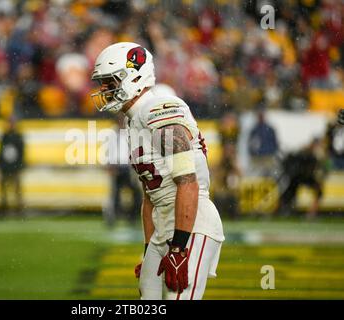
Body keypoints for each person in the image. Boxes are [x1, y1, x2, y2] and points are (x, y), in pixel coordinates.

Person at [91, 42, 224, 300]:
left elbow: (188, 181)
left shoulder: (158, 109)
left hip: (192, 222)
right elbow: (149, 197)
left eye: (110, 82)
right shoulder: (134, 122)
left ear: (133, 77)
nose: (104, 90)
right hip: (165, 224)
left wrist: (179, 249)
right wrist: (148, 248)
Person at [0, 117, 25, 217]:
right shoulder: (4, 136)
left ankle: (19, 211)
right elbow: (0, 153)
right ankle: (4, 210)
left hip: (15, 168)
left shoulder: (18, 136)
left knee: (17, 191)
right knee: (4, 191)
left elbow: (21, 154)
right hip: (5, 168)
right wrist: (0, 166)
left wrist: (20, 167)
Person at [248, 110, 279, 177]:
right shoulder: (254, 130)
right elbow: (251, 146)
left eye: (261, 115)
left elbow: (275, 143)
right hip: (257, 158)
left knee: (272, 174)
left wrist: (271, 152)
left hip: (268, 157)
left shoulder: (270, 129)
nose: (260, 117)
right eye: (259, 116)